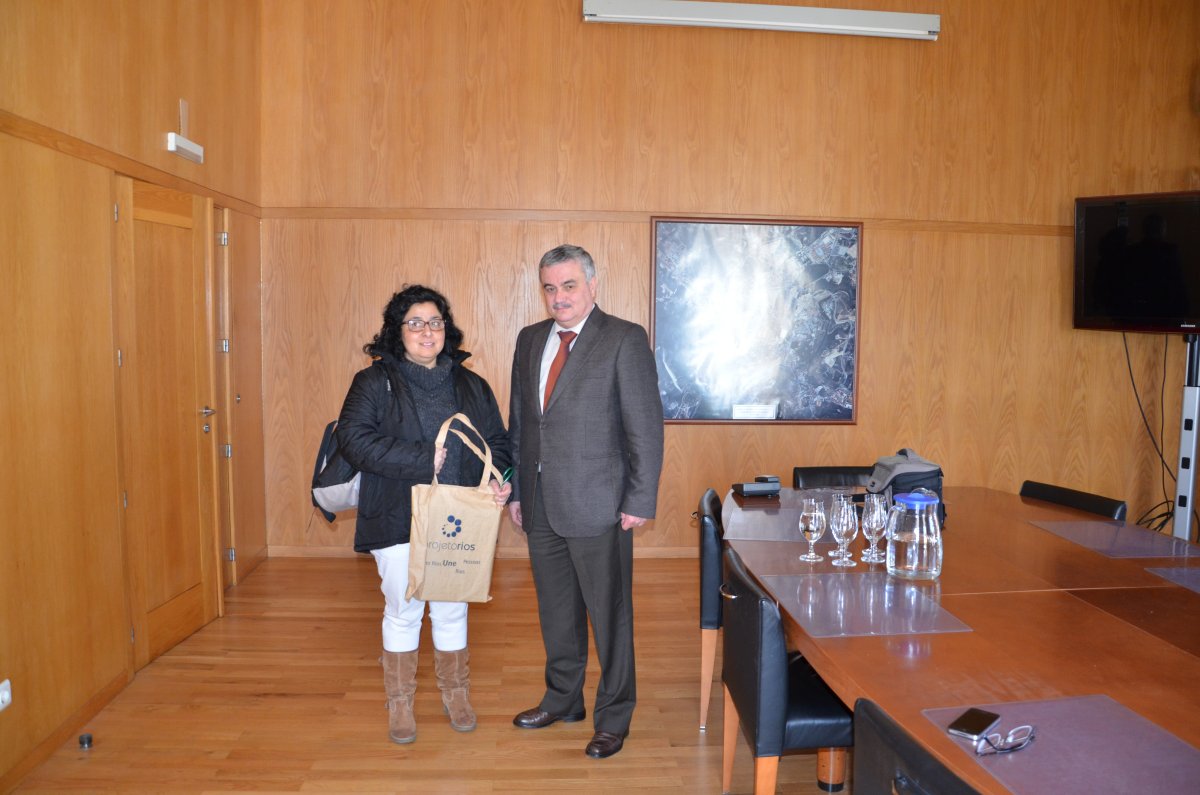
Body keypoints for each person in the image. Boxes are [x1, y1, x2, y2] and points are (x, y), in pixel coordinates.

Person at [507, 244, 664, 759]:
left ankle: (614, 717)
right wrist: (517, 489)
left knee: (609, 617)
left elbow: (645, 427)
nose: (559, 297)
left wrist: (639, 498)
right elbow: (521, 423)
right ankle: (563, 699)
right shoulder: (530, 339)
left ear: (592, 285)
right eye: (550, 288)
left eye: (569, 286)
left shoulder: (623, 338)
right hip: (540, 503)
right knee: (557, 611)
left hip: (601, 504)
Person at [336, 284, 512, 744]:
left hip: (459, 517)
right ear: (397, 331)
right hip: (397, 514)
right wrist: (421, 459)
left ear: (446, 329)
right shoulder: (373, 382)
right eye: (414, 323)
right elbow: (353, 439)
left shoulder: (471, 384)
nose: (426, 331)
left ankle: (457, 694)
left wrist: (499, 478)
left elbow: (498, 442)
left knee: (452, 608)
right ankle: (400, 702)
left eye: (435, 322)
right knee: (405, 609)